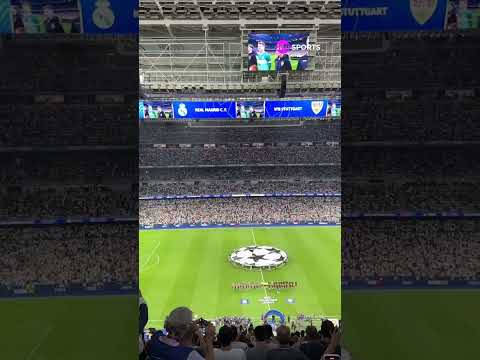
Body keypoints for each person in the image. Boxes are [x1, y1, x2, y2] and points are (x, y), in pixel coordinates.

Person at [146, 307, 215, 360]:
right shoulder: (189, 355)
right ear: (187, 327)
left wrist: (196, 334)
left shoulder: (156, 337)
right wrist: (209, 338)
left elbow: (175, 344)